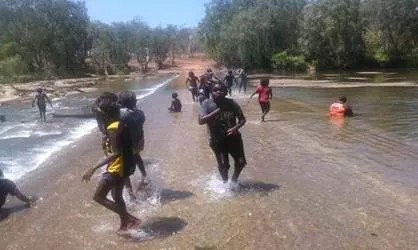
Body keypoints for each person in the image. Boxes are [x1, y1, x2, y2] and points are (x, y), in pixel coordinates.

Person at [82, 98, 140, 233]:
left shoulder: (113, 128)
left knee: (98, 197)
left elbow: (115, 153)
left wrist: (93, 168)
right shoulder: (118, 124)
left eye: (97, 112)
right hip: (124, 165)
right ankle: (125, 224)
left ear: (105, 114)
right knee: (116, 196)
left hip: (117, 167)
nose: (96, 114)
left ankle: (131, 219)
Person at [199, 83, 247, 184]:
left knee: (241, 162)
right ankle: (225, 184)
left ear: (226, 92)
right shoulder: (206, 103)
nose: (218, 92)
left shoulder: (231, 103)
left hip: (234, 138)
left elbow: (242, 119)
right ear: (211, 92)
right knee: (224, 165)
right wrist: (219, 110)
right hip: (217, 139)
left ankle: (233, 181)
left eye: (221, 90)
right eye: (215, 90)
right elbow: (201, 121)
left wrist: (235, 128)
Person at [118, 90, 148, 200]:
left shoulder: (121, 113)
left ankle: (131, 195)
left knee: (124, 171)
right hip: (139, 142)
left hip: (128, 145)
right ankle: (144, 175)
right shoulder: (141, 113)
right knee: (137, 157)